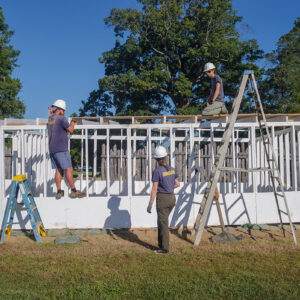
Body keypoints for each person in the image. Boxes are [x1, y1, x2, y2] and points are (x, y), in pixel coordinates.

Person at [48, 99, 86, 199]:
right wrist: (73, 122)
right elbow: (70, 130)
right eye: (63, 110)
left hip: (52, 149)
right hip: (61, 148)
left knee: (58, 169)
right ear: (59, 109)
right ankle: (74, 191)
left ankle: (59, 191)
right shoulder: (61, 118)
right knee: (69, 168)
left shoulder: (50, 119)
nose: (64, 112)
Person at [147, 145, 180, 254]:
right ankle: (161, 244)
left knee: (163, 223)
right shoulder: (172, 169)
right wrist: (169, 187)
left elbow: (154, 188)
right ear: (165, 157)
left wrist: (150, 204)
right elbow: (177, 184)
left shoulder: (157, 171)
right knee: (162, 221)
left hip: (163, 199)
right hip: (172, 198)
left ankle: (165, 249)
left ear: (156, 159)